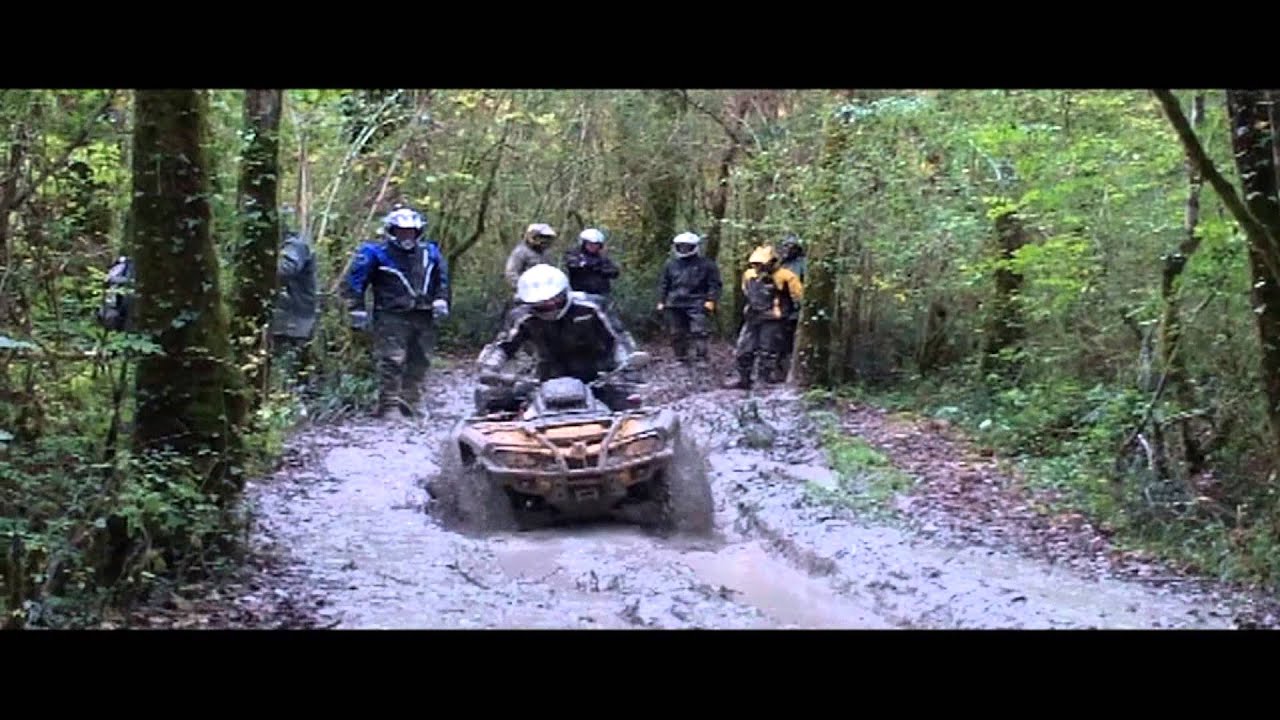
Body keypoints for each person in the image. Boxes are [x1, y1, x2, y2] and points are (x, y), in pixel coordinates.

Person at [476, 264, 640, 414]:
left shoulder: (592, 306)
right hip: (546, 378)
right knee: (492, 401)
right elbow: (503, 345)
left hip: (598, 375)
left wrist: (627, 364)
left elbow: (619, 338)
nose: (550, 306)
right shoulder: (521, 316)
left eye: (555, 300)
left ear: (566, 291)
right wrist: (489, 368)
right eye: (541, 305)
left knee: (631, 403)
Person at [344, 206, 451, 418]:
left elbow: (443, 279)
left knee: (421, 358)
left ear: (418, 232)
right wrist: (356, 309)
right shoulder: (375, 254)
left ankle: (411, 399)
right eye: (402, 232)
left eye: (411, 232)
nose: (406, 236)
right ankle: (389, 404)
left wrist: (441, 299)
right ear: (391, 231)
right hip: (391, 315)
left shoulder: (429, 252)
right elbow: (355, 282)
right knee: (392, 359)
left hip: (424, 313)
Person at [726, 244, 804, 389]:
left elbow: (798, 296)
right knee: (743, 349)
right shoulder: (749, 275)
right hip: (752, 317)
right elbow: (746, 292)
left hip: (774, 319)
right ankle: (743, 378)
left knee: (767, 350)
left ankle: (764, 380)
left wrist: (792, 315)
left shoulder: (786, 276)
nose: (758, 267)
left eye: (761, 264)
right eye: (755, 264)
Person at [657, 232, 721, 365]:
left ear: (694, 247)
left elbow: (714, 284)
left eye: (687, 246)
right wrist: (661, 301)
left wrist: (711, 300)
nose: (684, 249)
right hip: (674, 302)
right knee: (676, 333)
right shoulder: (670, 264)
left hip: (697, 302)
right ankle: (681, 358)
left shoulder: (707, 265)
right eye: (681, 246)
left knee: (699, 332)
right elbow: (664, 284)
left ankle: (701, 358)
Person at [270, 223, 317, 385]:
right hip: (286, 317)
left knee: (291, 366)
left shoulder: (295, 246)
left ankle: (298, 401)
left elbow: (285, 270)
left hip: (295, 317)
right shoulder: (288, 246)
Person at [562, 228, 620, 300]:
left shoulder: (602, 258)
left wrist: (599, 269)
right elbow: (572, 265)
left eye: (596, 244)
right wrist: (589, 265)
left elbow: (614, 272)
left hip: (600, 295)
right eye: (590, 243)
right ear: (583, 243)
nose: (593, 246)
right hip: (579, 295)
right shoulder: (574, 254)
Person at [777, 234, 806, 368]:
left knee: (792, 338)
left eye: (790, 246)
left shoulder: (802, 264)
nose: (786, 249)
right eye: (785, 246)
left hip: (795, 308)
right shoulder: (781, 264)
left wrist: (799, 304)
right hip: (780, 307)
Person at [504, 223, 557, 290]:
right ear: (533, 236)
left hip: (546, 290)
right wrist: (523, 287)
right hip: (526, 292)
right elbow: (511, 273)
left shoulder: (546, 253)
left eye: (547, 237)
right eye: (542, 237)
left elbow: (553, 271)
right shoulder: (521, 252)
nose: (544, 240)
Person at [96, 255, 135, 332]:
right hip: (115, 299)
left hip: (121, 298)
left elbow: (128, 280)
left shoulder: (128, 266)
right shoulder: (123, 266)